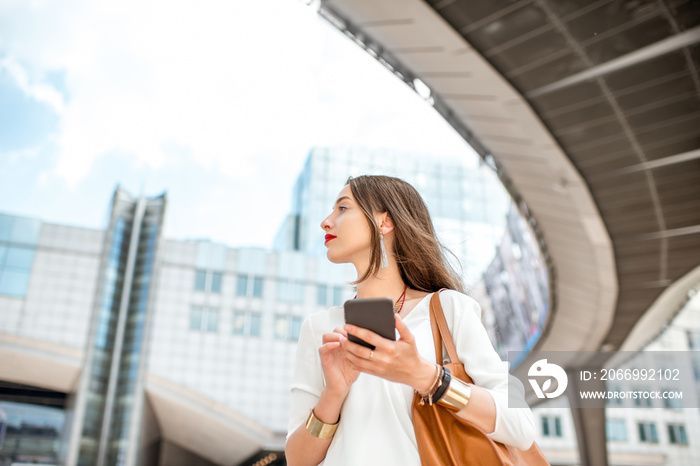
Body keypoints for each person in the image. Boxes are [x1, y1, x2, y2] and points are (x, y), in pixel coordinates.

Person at [285, 175, 535, 465]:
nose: (326, 222)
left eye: (343, 208)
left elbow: (521, 425)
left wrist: (427, 378)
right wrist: (334, 392)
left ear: (385, 222)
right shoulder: (320, 328)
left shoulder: (449, 309)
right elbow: (297, 460)